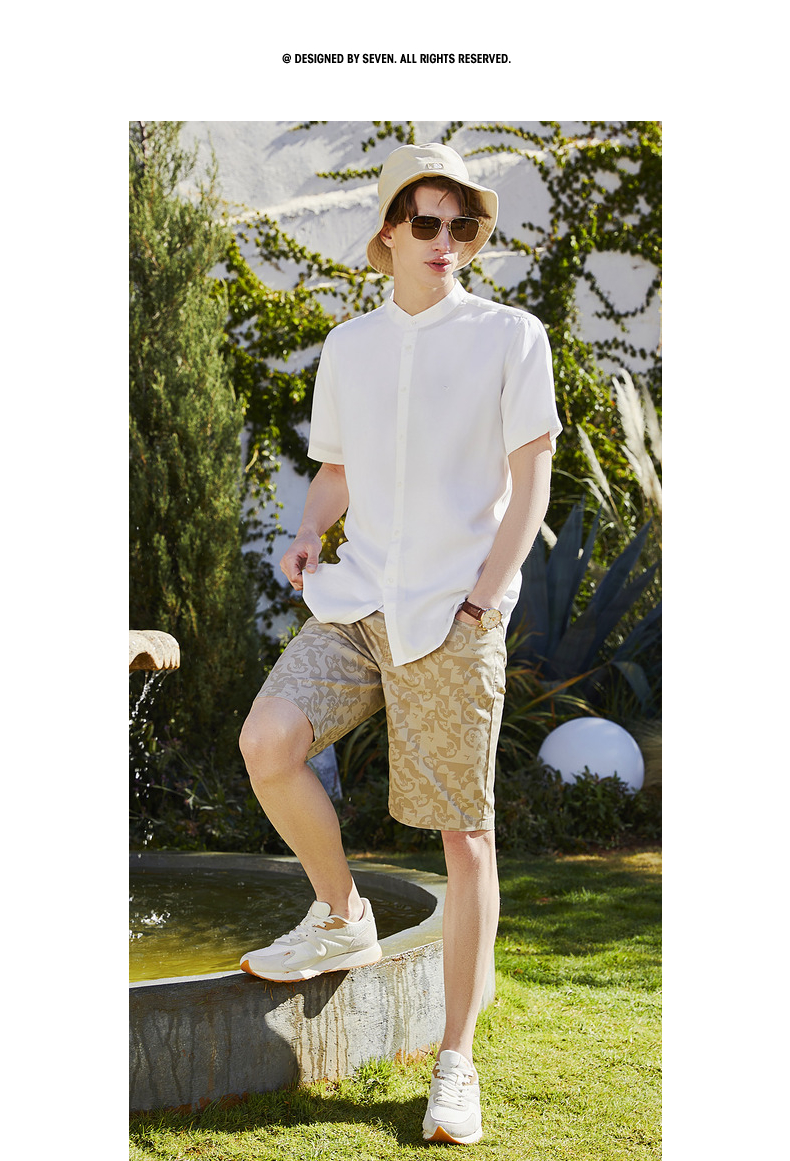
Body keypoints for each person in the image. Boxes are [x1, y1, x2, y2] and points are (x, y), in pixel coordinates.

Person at [238, 141, 562, 1145]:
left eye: (462, 223)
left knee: (464, 838)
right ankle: (343, 915)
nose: (444, 239)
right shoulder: (351, 347)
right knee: (268, 743)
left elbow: (533, 475)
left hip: (454, 610)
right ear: (388, 233)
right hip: (360, 598)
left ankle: (456, 1062)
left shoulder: (510, 337)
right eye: (425, 221)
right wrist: (307, 529)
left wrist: (485, 596)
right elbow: (336, 469)